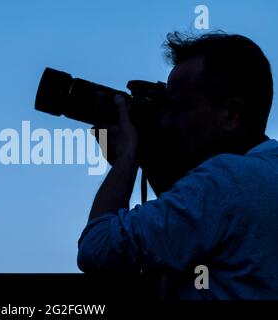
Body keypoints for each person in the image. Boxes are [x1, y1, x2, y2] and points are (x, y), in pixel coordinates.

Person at [77, 31, 278, 299]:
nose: (165, 122)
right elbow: (190, 232)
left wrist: (127, 157)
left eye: (178, 107)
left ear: (231, 114)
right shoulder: (262, 172)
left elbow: (97, 249)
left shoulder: (224, 179)